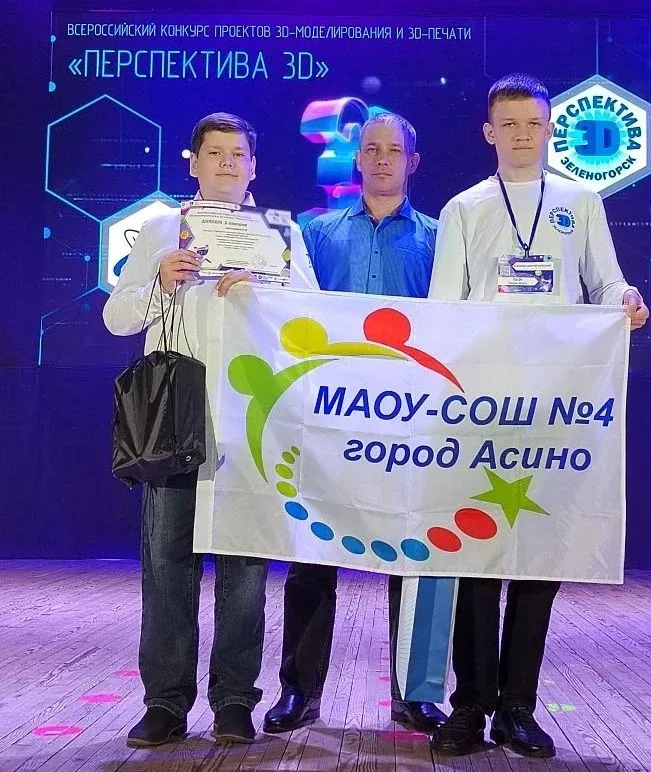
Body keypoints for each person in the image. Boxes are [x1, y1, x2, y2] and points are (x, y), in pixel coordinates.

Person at [427, 74, 649, 757]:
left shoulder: (581, 202)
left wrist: (625, 297)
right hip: (479, 406)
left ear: (550, 130)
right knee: (473, 555)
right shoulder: (464, 209)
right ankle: (469, 705)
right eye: (510, 124)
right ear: (489, 133)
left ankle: (517, 708)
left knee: (538, 555)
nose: (522, 135)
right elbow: (443, 306)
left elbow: (604, 280)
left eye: (533, 123)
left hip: (555, 404)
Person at [103, 112, 318, 748]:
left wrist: (264, 294)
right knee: (167, 563)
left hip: (251, 418)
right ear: (192, 163)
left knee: (245, 569)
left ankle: (234, 702)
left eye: (238, 154)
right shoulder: (162, 228)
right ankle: (166, 703)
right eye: (215, 153)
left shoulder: (280, 233)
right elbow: (116, 318)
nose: (227, 163)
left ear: (254, 166)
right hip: (176, 416)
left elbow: (313, 317)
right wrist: (158, 283)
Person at [263, 112, 447, 735]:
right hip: (330, 418)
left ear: (412, 162)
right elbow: (286, 312)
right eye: (372, 148)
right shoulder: (313, 233)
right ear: (357, 159)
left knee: (416, 555)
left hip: (412, 421)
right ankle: (298, 690)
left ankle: (416, 694)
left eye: (395, 149)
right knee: (313, 552)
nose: (383, 158)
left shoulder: (441, 238)